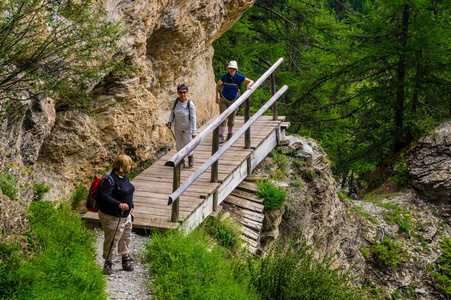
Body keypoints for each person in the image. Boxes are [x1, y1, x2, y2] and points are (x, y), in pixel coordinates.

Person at [98, 154, 135, 275]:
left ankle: (125, 258)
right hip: (112, 216)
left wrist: (131, 205)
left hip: (126, 215)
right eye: (128, 165)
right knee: (112, 239)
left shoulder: (125, 177)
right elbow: (105, 196)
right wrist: (119, 204)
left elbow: (129, 192)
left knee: (125, 236)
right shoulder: (109, 179)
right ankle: (108, 263)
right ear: (123, 166)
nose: (130, 167)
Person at [215, 60, 254, 143]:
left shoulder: (238, 76)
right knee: (223, 117)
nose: (232, 70)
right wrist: (217, 97)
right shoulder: (224, 77)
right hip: (224, 100)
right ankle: (221, 136)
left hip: (234, 100)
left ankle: (230, 134)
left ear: (236, 70)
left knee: (231, 118)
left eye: (233, 69)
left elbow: (251, 81)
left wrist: (248, 85)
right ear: (228, 69)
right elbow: (218, 85)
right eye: (230, 68)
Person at [166, 84, 197, 168]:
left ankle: (190, 157)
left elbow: (193, 118)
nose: (182, 94)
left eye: (184, 92)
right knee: (179, 145)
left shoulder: (190, 104)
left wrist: (194, 132)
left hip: (187, 128)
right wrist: (170, 122)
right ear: (178, 93)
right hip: (178, 127)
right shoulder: (175, 102)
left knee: (187, 144)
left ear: (187, 93)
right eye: (180, 92)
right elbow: (172, 113)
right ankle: (181, 161)